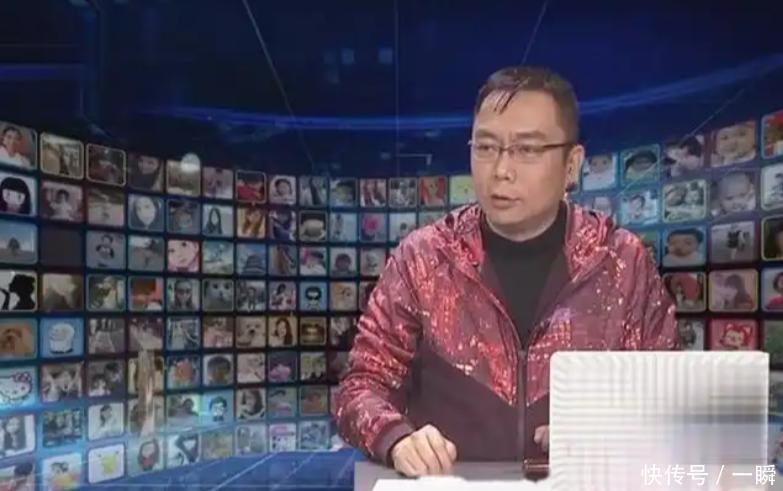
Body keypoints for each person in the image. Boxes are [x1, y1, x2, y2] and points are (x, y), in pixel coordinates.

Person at [333, 66, 678, 478]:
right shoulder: (422, 259)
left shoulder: (622, 262)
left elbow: (668, 398)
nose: (501, 169)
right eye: (485, 147)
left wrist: (614, 434)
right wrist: (396, 438)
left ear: (572, 164)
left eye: (527, 149)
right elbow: (360, 386)